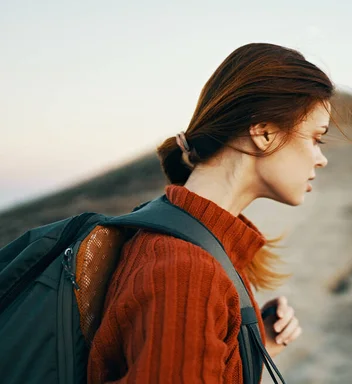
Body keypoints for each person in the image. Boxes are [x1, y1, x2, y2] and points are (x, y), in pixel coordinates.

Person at [88, 43, 335, 383]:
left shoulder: (194, 241)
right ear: (264, 133)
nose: (320, 158)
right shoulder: (186, 270)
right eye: (316, 138)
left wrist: (253, 351)